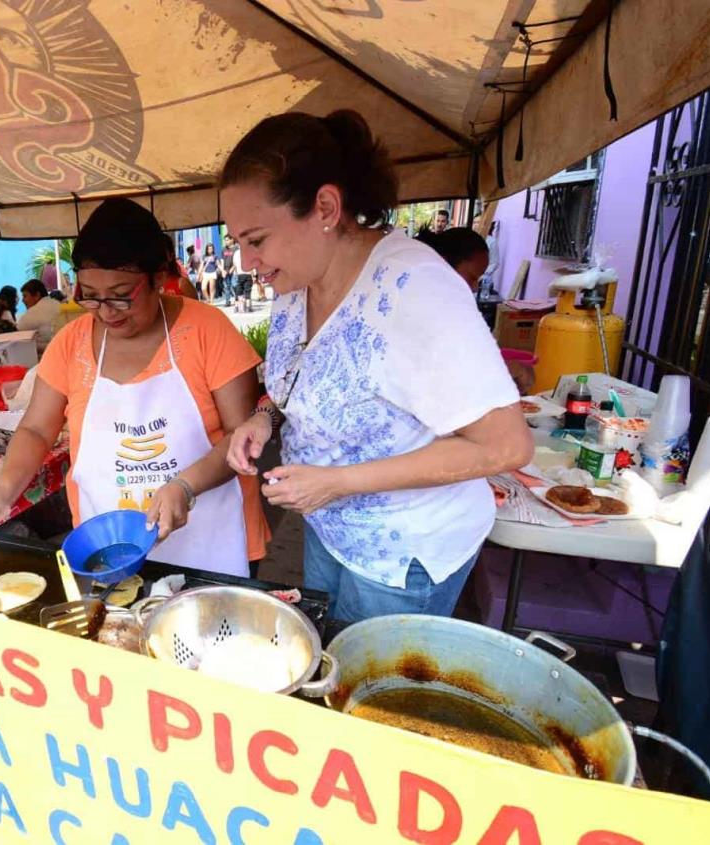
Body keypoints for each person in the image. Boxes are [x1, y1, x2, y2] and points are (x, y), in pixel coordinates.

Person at [220, 111, 532, 622]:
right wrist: (264, 420)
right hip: (328, 527)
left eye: (256, 240)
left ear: (325, 206)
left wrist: (338, 482)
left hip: (404, 552)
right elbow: (298, 387)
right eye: (238, 244)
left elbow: (506, 445)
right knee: (333, 662)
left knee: (370, 693)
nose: (246, 262)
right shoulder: (294, 286)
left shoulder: (415, 287)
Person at [0, 197, 270, 575]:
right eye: (90, 295)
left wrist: (186, 486)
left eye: (121, 296)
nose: (106, 311)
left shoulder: (208, 330)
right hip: (108, 549)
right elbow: (36, 428)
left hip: (211, 541)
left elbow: (242, 436)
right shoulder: (71, 344)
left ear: (159, 277)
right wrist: (4, 491)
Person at [421, 228, 535, 394]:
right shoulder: (421, 301)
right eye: (472, 277)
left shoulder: (446, 303)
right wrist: (507, 367)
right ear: (443, 263)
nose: (475, 287)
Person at [16, 279, 61, 353]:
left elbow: (17, 337)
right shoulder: (58, 305)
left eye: (25, 296)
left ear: (37, 295)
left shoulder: (32, 314)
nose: (23, 300)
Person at [157, 235, 199, 300]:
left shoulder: (182, 283)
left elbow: (196, 307)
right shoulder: (148, 286)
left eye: (162, 253)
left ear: (171, 256)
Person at [220, 236, 237, 306]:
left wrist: (232, 268)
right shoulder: (224, 249)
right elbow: (222, 260)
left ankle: (238, 298)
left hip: (234, 270)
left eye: (227, 240)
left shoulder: (236, 248)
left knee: (234, 284)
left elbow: (237, 260)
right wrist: (222, 270)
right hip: (226, 270)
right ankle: (227, 301)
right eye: (225, 240)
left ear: (232, 240)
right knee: (227, 286)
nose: (226, 242)